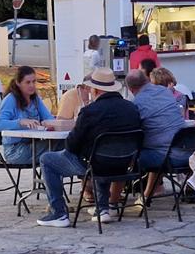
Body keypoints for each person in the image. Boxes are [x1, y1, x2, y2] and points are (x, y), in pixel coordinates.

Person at [37, 67, 141, 227]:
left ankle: (58, 213)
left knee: (47, 159)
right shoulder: (131, 108)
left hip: (96, 164)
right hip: (126, 163)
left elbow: (71, 145)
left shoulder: (90, 112)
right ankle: (103, 209)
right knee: (101, 153)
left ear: (96, 89)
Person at [125, 69, 186, 199]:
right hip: (185, 152)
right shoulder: (165, 92)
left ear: (130, 89)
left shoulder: (137, 103)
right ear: (147, 80)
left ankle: (112, 200)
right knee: (155, 143)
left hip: (163, 157)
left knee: (123, 157)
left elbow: (133, 132)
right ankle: (148, 194)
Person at [0, 66, 55, 164]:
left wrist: (57, 123)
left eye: (34, 82)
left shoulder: (35, 99)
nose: (32, 85)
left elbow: (48, 118)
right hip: (15, 150)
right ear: (18, 83)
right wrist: (21, 122)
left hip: (33, 143)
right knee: (60, 147)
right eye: (28, 82)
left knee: (65, 143)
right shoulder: (11, 99)